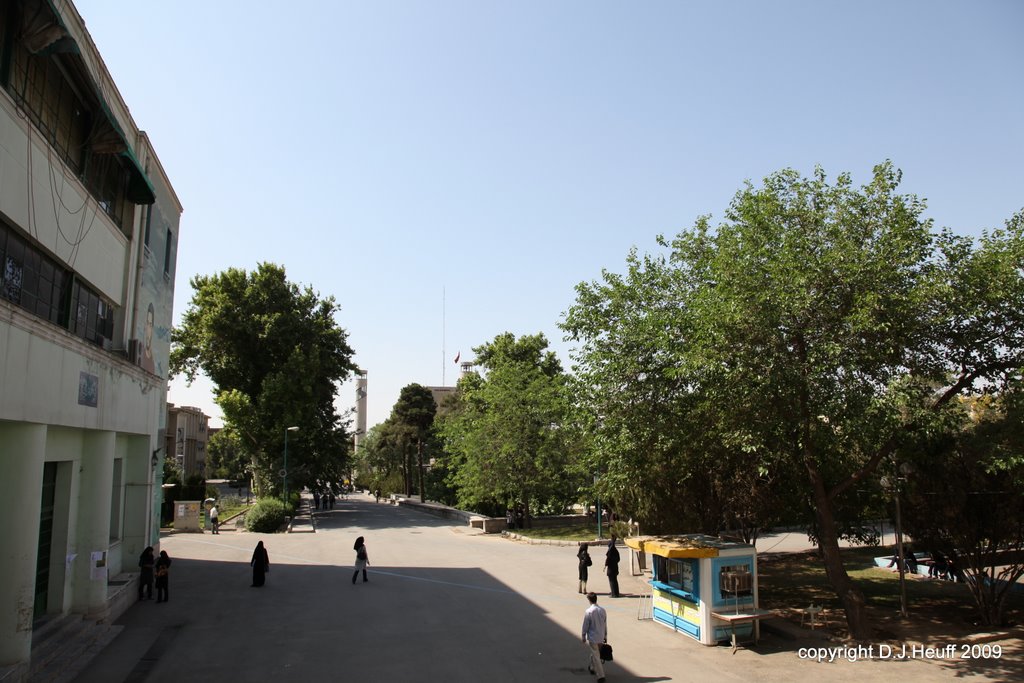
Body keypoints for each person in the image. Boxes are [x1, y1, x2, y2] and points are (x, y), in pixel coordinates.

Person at [581, 592, 608, 683]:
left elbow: (585, 625)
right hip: (600, 636)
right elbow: (605, 624)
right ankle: (592, 667)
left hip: (593, 637)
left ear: (589, 600)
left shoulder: (589, 611)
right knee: (595, 653)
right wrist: (605, 635)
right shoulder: (602, 610)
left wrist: (583, 635)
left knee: (596, 656)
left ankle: (601, 676)